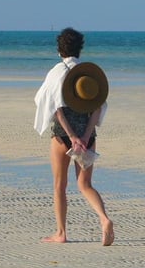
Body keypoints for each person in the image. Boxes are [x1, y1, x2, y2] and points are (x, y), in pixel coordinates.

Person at [34, 27, 114, 246]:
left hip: (62, 136)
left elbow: (54, 108)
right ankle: (104, 219)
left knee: (60, 185)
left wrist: (71, 135)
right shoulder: (88, 75)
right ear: (80, 49)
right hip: (88, 135)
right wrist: (85, 136)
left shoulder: (57, 72)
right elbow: (98, 107)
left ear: (60, 49)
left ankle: (61, 233)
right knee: (85, 185)